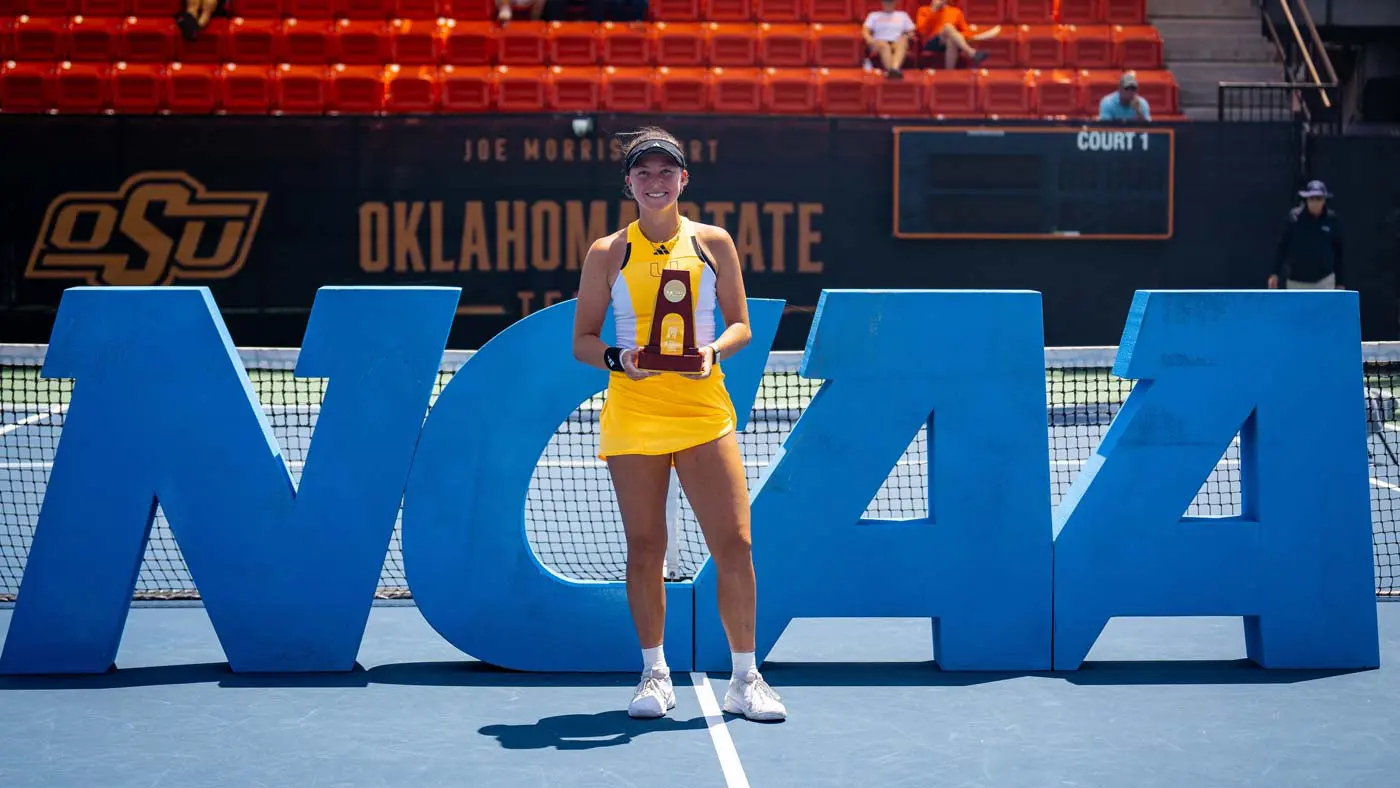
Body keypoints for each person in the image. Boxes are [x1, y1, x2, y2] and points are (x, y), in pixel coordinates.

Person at [572, 127, 788, 723]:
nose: (656, 181)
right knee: (646, 546)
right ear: (629, 184)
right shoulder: (606, 252)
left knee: (735, 544)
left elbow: (742, 323)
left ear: (683, 180)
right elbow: (584, 341)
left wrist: (714, 351)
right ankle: (655, 673)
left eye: (667, 171)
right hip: (634, 412)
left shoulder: (714, 242)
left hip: (702, 411)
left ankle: (746, 679)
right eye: (644, 172)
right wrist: (623, 360)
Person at [1269, 180, 1345, 290]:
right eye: (1311, 198)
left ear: (1324, 200)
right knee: (1297, 308)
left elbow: (1338, 252)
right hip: (1297, 282)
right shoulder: (1294, 218)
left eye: (1318, 198)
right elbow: (1282, 247)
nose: (1315, 202)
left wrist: (1340, 282)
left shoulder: (1331, 220)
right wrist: (1274, 273)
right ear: (1306, 199)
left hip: (1324, 281)